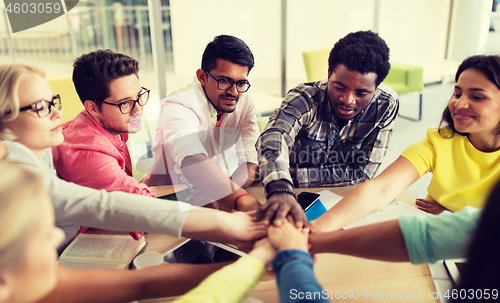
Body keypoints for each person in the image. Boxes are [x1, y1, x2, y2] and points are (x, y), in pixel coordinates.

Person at [0, 64, 266, 251]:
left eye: (53, 102)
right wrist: (228, 223)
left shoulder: (58, 141)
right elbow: (123, 204)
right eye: (39, 108)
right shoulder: (29, 167)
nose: (58, 114)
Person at [0, 161, 236, 303]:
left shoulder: (37, 283)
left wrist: (257, 264)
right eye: (43, 234)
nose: (58, 235)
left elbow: (143, 284)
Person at [312, 54, 500, 233]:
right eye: (457, 94)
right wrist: (315, 228)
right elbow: (380, 189)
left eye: (477, 97)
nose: (459, 104)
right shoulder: (439, 142)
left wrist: (453, 215)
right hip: (436, 235)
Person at [255, 30, 399, 227]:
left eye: (362, 92)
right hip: (288, 193)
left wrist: (295, 174)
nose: (348, 100)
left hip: (340, 199)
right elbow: (274, 137)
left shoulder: (386, 104)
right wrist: (280, 187)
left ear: (377, 87)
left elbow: (362, 173)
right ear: (328, 74)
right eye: (339, 87)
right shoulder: (305, 97)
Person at [143, 35, 261, 212]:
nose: (233, 92)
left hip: (208, 196)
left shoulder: (243, 98)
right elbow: (191, 159)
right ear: (202, 77)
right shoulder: (179, 105)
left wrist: (225, 194)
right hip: (164, 201)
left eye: (241, 83)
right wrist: (240, 200)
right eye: (224, 80)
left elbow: (251, 160)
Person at [52, 50, 155, 198]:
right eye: (125, 103)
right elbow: (144, 204)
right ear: (92, 108)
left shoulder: (107, 125)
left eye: (139, 96)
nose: (138, 110)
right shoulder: (89, 155)